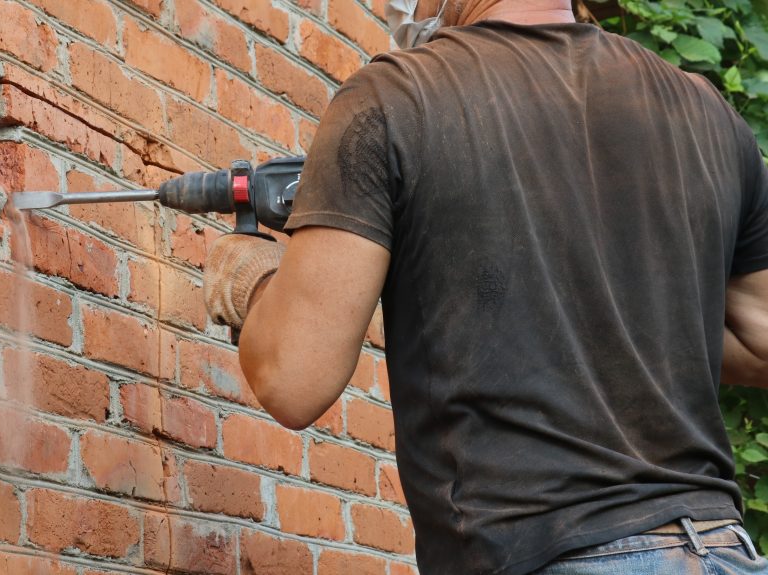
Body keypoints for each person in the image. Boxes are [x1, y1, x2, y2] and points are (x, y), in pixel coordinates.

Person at [202, 0, 768, 573]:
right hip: (723, 550)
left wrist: (252, 279)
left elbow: (295, 379)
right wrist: (612, 311)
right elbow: (760, 340)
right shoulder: (707, 112)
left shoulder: (394, 98)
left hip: (540, 552)